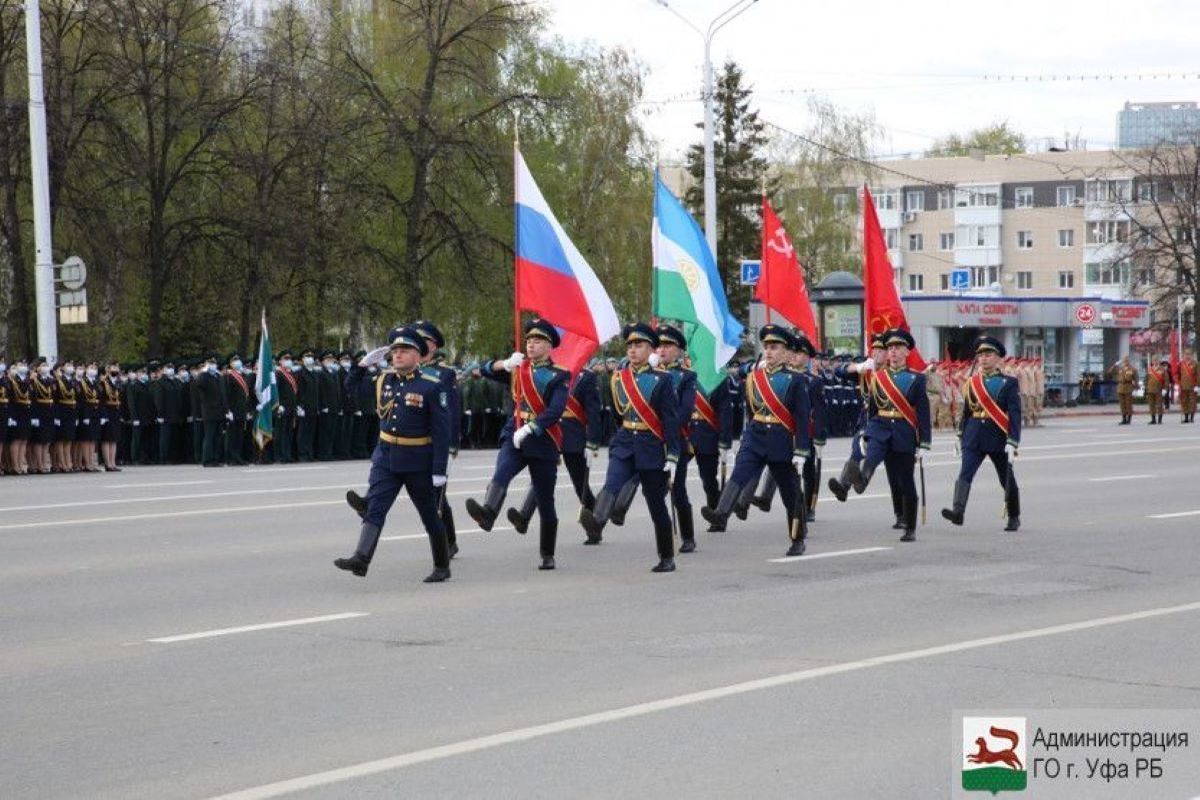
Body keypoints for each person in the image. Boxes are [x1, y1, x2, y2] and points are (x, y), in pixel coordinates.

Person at [334, 326, 452, 583]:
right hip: (386, 456)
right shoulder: (384, 380)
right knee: (375, 508)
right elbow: (351, 387)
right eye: (395, 351)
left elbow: (442, 432)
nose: (397, 355)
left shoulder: (432, 386)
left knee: (430, 516)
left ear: (419, 356)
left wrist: (439, 470)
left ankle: (442, 565)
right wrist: (362, 365)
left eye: (405, 350)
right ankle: (361, 558)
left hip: (418, 459)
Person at [462, 319, 569, 570]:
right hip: (515, 433)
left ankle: (547, 553)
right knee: (501, 473)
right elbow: (482, 369)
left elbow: (555, 410)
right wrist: (505, 363)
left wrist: (533, 427)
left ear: (549, 346)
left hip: (542, 439)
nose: (531, 344)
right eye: (529, 340)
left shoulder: (559, 375)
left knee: (545, 499)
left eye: (538, 341)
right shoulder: (518, 368)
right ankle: (488, 512)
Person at [700, 325, 811, 557]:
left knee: (791, 494)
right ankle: (721, 513)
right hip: (756, 436)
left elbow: (802, 418)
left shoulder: (796, 380)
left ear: (787, 352)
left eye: (775, 347)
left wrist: (801, 450)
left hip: (781, 440)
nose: (769, 351)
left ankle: (797, 538)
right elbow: (751, 410)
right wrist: (746, 436)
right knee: (739, 474)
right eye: (767, 347)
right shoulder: (754, 377)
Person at [579, 323, 681, 572]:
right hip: (625, 442)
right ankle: (598, 521)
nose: (633, 350)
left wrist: (673, 454)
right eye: (631, 346)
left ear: (651, 349)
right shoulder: (617, 378)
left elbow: (670, 418)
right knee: (612, 482)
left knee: (656, 504)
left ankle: (666, 557)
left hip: (651, 445)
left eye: (639, 346)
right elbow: (617, 414)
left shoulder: (662, 380)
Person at [827, 329, 931, 542]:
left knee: (905, 481)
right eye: (890, 348)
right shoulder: (879, 377)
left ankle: (909, 527)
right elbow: (873, 408)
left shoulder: (916, 379)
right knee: (872, 454)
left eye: (897, 348)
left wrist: (925, 444)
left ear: (906, 352)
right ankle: (861, 479)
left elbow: (923, 413)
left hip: (903, 431)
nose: (892, 352)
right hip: (880, 426)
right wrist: (869, 430)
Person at [506, 354, 601, 538]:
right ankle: (524, 517)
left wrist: (592, 442)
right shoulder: (548, 374)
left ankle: (595, 521)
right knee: (540, 477)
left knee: (579, 482)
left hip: (572, 434)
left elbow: (593, 412)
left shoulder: (586, 377)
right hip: (549, 431)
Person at [941, 336, 1022, 532]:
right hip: (974, 435)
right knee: (965, 474)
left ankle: (1013, 515)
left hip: (998, 437)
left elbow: (1015, 414)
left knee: (1006, 478)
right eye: (980, 355)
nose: (983, 359)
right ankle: (958, 511)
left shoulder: (1008, 383)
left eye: (988, 355)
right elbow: (967, 412)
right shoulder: (971, 383)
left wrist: (1013, 441)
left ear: (997, 358)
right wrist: (960, 434)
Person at [196, 354, 228, 467]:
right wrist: (203, 371)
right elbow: (199, 383)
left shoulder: (218, 376)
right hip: (209, 412)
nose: (213, 365)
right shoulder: (204, 377)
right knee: (209, 436)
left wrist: (226, 410)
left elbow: (223, 394)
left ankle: (215, 458)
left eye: (214, 363)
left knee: (217, 437)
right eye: (210, 364)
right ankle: (207, 459)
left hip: (219, 411)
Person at [223, 353, 252, 465]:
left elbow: (246, 395)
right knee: (232, 436)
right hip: (233, 411)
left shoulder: (243, 376)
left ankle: (238, 457)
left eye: (238, 359)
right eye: (234, 360)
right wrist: (228, 410)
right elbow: (226, 395)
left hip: (242, 410)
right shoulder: (228, 377)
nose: (237, 362)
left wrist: (248, 410)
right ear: (230, 363)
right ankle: (230, 458)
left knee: (239, 436)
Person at [1108, 356, 1138, 424]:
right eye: (1124, 361)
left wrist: (1136, 389)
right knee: (1122, 404)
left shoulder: (1133, 369)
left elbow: (1136, 379)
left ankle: (1129, 419)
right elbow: (1110, 372)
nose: (1125, 362)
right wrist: (1115, 365)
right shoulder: (1120, 369)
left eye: (1127, 361)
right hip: (1120, 387)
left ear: (1129, 361)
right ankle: (1124, 418)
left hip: (1128, 387)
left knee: (1128, 404)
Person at [1145, 357, 1168, 424]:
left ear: (1159, 361)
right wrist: (1146, 389)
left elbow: (1166, 380)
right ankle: (1153, 419)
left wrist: (1165, 389)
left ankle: (1160, 419)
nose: (1155, 361)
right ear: (1152, 361)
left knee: (1159, 405)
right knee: (1151, 405)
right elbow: (1147, 380)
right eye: (1153, 360)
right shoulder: (1150, 369)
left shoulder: (1162, 369)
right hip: (1150, 389)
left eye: (1156, 360)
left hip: (1158, 389)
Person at [1180, 349, 1198, 423]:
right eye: (1186, 354)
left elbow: (1198, 375)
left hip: (1192, 386)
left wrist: (1197, 385)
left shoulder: (1195, 364)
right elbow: (1178, 374)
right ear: (1184, 355)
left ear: (1192, 355)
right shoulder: (1181, 364)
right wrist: (1178, 383)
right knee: (1185, 402)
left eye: (1189, 354)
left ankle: (1192, 417)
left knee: (1192, 402)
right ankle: (1186, 417)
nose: (1187, 356)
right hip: (1184, 386)